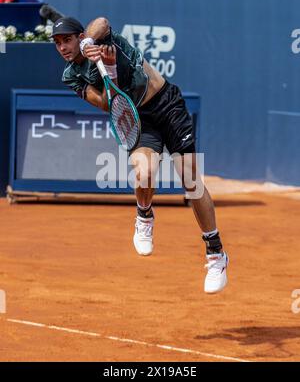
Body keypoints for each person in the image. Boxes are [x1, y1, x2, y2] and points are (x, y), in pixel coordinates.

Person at [52, 16, 229, 294]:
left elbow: (102, 22)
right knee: (144, 172)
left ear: (79, 36)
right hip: (136, 117)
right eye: (58, 43)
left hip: (167, 105)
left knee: (191, 181)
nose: (63, 47)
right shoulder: (71, 75)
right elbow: (106, 104)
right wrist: (109, 73)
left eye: (68, 40)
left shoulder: (100, 38)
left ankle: (216, 254)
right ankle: (144, 216)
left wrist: (89, 43)